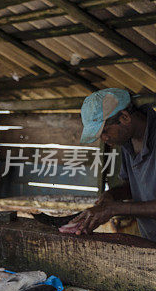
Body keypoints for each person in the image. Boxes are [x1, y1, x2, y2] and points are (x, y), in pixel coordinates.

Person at [62, 88, 156, 239]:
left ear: (124, 117)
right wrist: (110, 195)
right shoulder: (127, 142)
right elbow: (132, 188)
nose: (104, 138)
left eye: (105, 131)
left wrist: (114, 209)